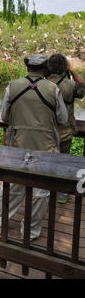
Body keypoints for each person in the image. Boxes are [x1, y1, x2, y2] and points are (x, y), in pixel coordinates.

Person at [0, 54, 68, 241]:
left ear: (27, 69)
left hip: (17, 145)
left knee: (12, 185)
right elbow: (63, 119)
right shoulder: (53, 88)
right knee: (40, 192)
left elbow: (4, 117)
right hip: (45, 147)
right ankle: (30, 231)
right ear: (45, 70)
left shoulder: (12, 86)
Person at [47, 53, 85, 204]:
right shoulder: (70, 85)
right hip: (65, 130)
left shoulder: (44, 83)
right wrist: (73, 70)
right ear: (65, 68)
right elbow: (82, 88)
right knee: (64, 160)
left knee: (47, 162)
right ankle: (62, 194)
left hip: (47, 131)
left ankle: (47, 190)